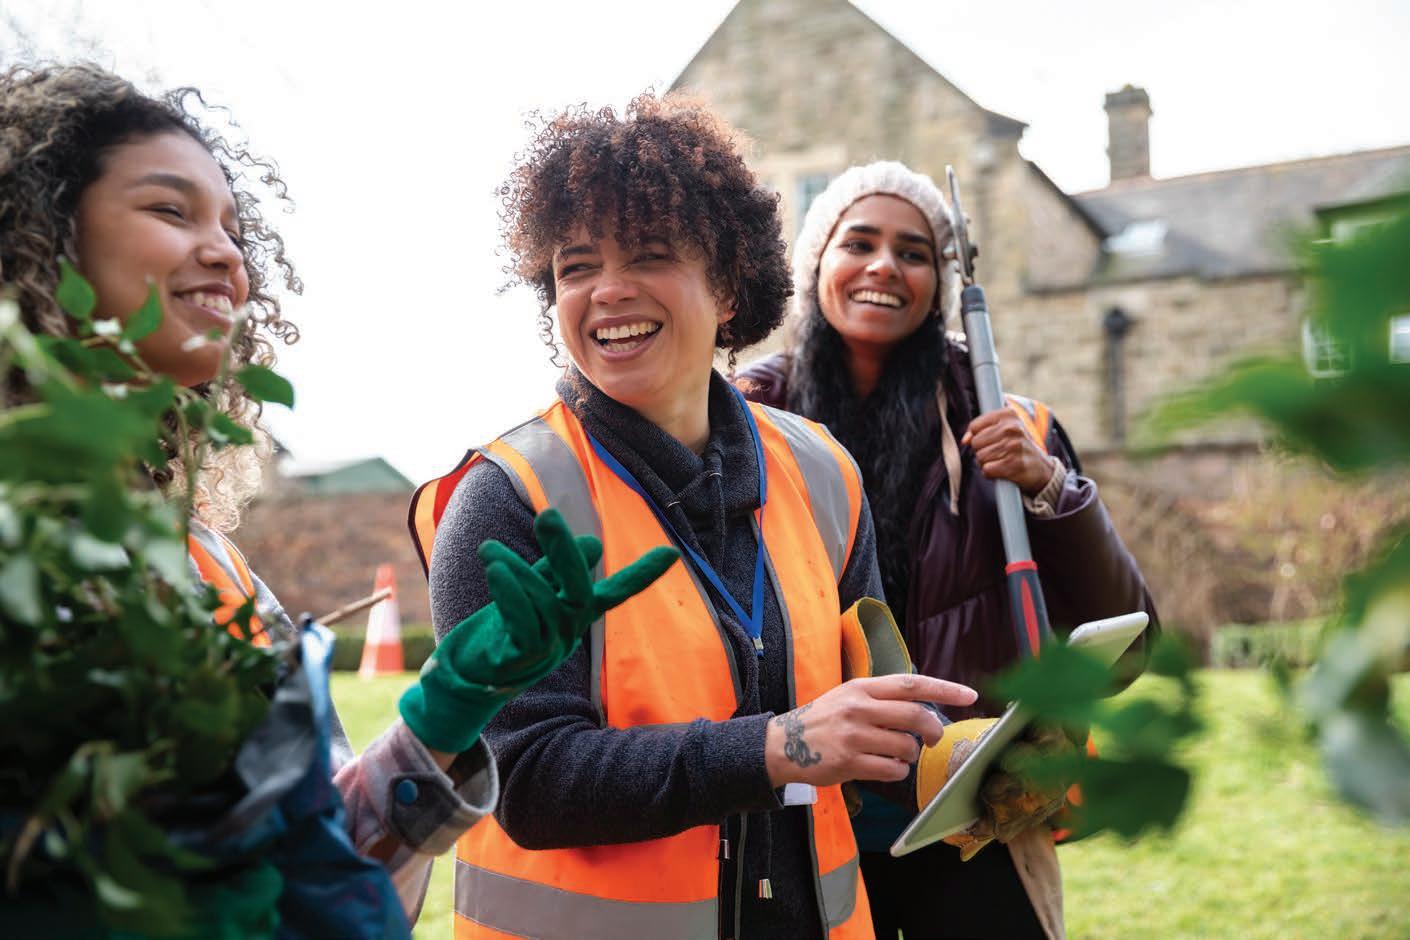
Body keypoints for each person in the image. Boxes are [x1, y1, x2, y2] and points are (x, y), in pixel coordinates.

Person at [0, 63, 671, 932]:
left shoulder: (204, 557)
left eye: (233, 226)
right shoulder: (24, 538)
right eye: (171, 210)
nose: (226, 254)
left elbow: (327, 863)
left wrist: (442, 718)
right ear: (42, 241)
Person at [414, 96, 990, 940]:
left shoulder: (824, 474)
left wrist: (958, 759)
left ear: (727, 288)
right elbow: (525, 779)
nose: (608, 290)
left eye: (649, 255)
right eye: (576, 267)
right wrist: (777, 746)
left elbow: (868, 709)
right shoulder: (506, 496)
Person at [735, 161, 1160, 940]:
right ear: (816, 264)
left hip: (972, 818)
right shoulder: (741, 420)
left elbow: (1125, 646)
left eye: (914, 252)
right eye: (858, 243)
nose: (884, 266)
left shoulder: (1010, 425)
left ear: (941, 282)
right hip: (799, 820)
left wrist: (1049, 487)